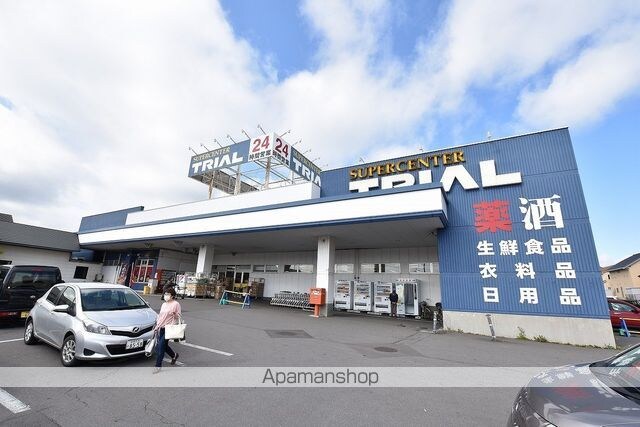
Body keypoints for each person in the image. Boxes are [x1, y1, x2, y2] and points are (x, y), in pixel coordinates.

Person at [153, 287, 181, 373]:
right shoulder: (164, 304)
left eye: (167, 294)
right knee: (164, 346)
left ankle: (158, 366)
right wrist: (157, 326)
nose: (166, 295)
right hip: (161, 327)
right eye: (165, 294)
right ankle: (174, 355)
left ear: (172, 296)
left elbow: (179, 316)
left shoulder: (176, 304)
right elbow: (160, 316)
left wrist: (174, 314)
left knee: (161, 346)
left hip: (169, 328)